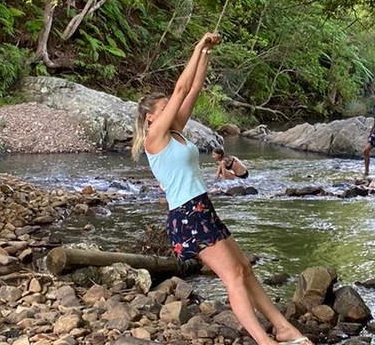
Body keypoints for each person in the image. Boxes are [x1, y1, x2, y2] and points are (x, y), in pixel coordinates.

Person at [132, 32, 310, 345]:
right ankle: (264, 341)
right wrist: (197, 46)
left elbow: (193, 89)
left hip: (201, 208)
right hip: (187, 216)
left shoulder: (174, 132)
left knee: (244, 267)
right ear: (150, 118)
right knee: (233, 277)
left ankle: (283, 329)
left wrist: (207, 54)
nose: (172, 110)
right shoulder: (154, 138)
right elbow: (181, 87)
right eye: (165, 109)